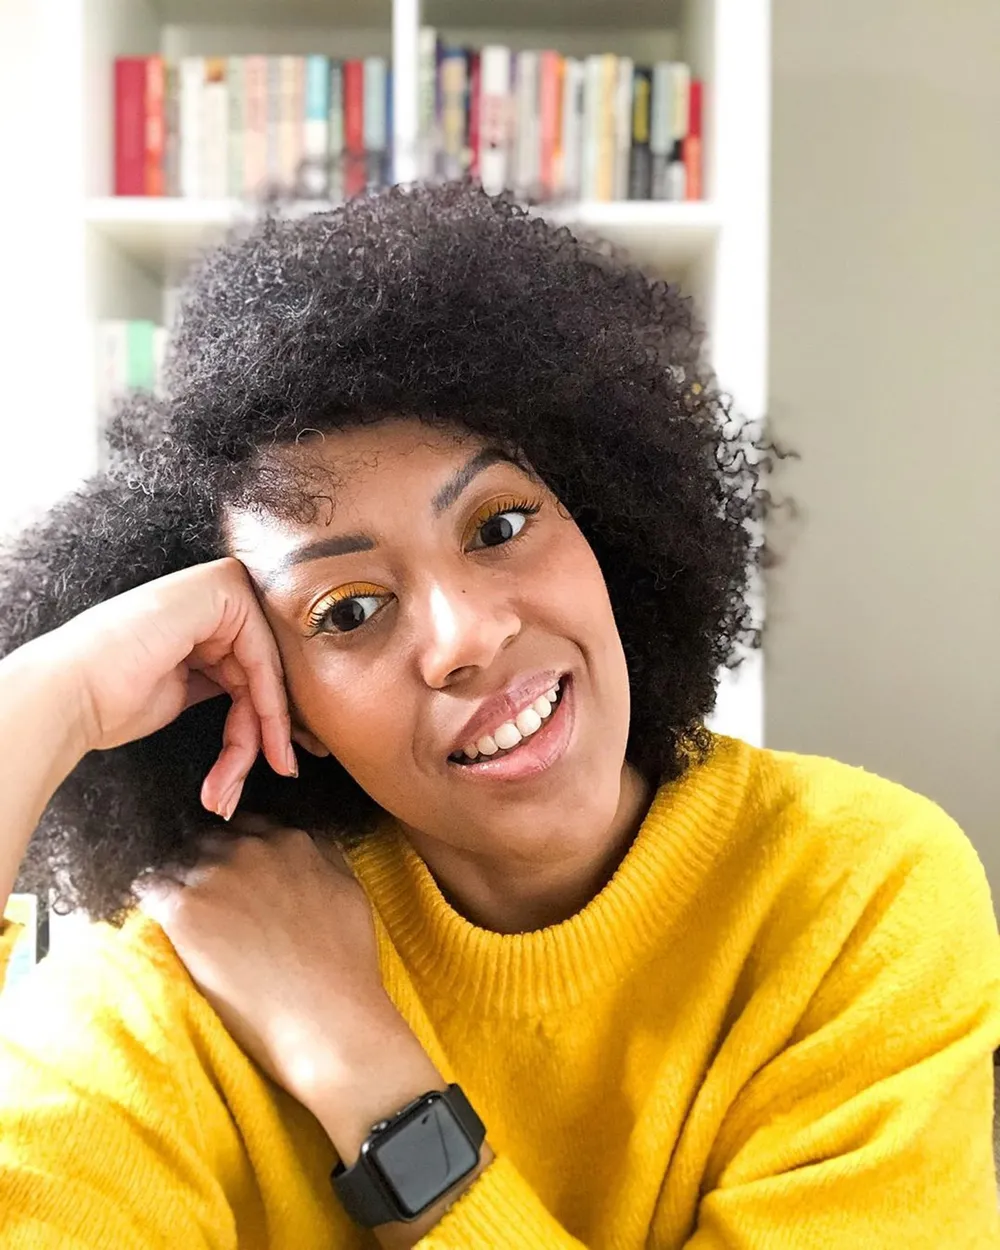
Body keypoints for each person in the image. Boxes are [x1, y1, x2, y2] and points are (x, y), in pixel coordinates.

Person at [0, 182, 997, 1249]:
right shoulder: (200, 950)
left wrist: (360, 1065)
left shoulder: (855, 890)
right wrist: (48, 697)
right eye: (348, 610)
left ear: (600, 521)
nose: (464, 635)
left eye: (501, 524)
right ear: (279, 693)